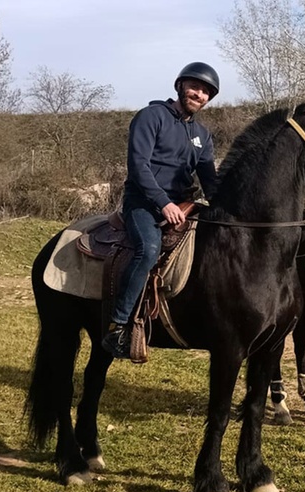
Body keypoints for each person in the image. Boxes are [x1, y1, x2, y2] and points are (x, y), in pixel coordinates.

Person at [102, 62, 222, 359]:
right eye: (195, 87)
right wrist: (163, 203)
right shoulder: (151, 116)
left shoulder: (202, 135)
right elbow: (138, 166)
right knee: (149, 248)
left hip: (183, 204)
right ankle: (117, 325)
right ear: (180, 85)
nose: (200, 94)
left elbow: (210, 181)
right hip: (143, 202)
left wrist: (229, 208)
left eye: (206, 92)